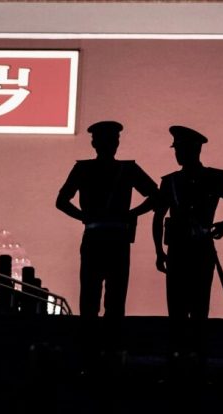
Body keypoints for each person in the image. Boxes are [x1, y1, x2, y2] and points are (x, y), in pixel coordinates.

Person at [56, 120, 158, 361]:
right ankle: (112, 349)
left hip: (93, 235)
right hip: (119, 238)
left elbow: (61, 201)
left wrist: (84, 216)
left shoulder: (82, 169)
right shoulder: (128, 169)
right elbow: (156, 195)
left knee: (89, 295)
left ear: (94, 143)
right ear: (116, 143)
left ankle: (87, 350)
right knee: (116, 295)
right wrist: (132, 213)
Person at [152, 125, 223, 362]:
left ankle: (192, 361)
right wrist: (159, 251)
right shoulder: (202, 179)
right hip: (188, 250)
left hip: (192, 250)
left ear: (194, 150)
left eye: (181, 148)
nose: (177, 153)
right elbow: (158, 216)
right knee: (182, 309)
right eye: (177, 149)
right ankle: (184, 361)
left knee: (195, 308)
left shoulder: (194, 179)